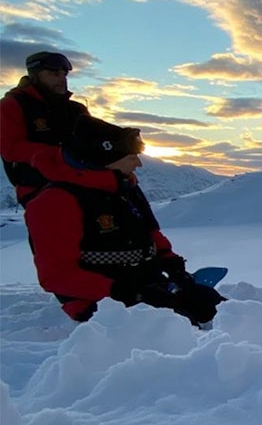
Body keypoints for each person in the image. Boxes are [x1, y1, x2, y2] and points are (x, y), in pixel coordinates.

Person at [24, 115, 224, 326]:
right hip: (102, 303)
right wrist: (125, 292)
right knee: (183, 327)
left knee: (217, 308)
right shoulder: (55, 202)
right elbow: (57, 275)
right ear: (105, 160)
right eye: (131, 157)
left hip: (147, 285)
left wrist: (170, 263)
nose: (138, 164)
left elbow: (150, 233)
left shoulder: (124, 186)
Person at [1, 51, 122, 206]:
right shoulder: (13, 105)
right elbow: (11, 148)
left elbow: (93, 143)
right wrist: (62, 155)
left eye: (64, 75)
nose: (62, 79)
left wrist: (121, 144)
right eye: (55, 74)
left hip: (81, 181)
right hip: (39, 187)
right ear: (35, 75)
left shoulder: (76, 109)